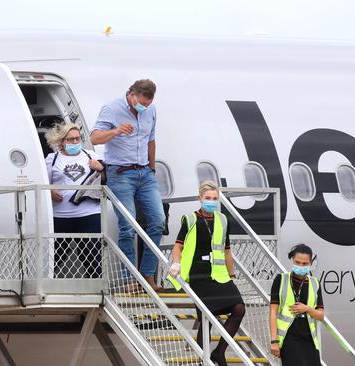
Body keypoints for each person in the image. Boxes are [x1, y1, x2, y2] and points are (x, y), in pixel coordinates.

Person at [90, 79, 165, 291]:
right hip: (121, 172)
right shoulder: (112, 108)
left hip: (144, 172)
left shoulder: (151, 111)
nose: (143, 108)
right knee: (128, 226)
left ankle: (148, 275)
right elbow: (94, 138)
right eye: (140, 103)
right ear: (131, 94)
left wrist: (151, 167)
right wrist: (115, 132)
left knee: (158, 221)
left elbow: (151, 139)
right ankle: (130, 279)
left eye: (147, 105)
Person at [168, 181, 245, 366]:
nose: (211, 202)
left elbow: (227, 251)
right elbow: (178, 246)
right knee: (206, 317)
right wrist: (176, 263)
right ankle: (204, 359)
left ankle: (219, 352)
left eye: (214, 199)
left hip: (220, 275)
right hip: (198, 275)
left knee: (239, 309)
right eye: (207, 198)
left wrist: (232, 275)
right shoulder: (190, 219)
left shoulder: (223, 220)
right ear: (200, 199)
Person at [45, 122, 104, 278]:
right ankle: (47, 283)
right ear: (61, 141)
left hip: (89, 213)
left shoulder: (91, 156)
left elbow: (106, 179)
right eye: (70, 140)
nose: (75, 143)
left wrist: (101, 168)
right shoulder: (52, 159)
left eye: (77, 139)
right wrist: (50, 191)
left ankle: (96, 285)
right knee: (56, 253)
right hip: (61, 215)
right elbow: (43, 182)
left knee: (90, 252)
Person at [269, 244, 324, 366]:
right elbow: (273, 312)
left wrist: (307, 309)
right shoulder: (281, 279)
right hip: (289, 337)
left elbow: (321, 315)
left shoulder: (315, 283)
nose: (301, 266)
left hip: (309, 338)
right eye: (297, 262)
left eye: (305, 264)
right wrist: (274, 341)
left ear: (310, 263)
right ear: (292, 260)